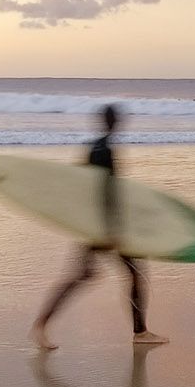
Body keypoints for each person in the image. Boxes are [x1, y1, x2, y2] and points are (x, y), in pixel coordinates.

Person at [32, 105, 164, 349]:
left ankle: (41, 325)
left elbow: (82, 184)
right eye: (116, 118)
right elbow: (107, 191)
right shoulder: (107, 150)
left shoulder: (93, 146)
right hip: (106, 226)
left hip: (94, 224)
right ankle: (140, 332)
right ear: (111, 121)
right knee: (133, 274)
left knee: (85, 276)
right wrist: (113, 229)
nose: (119, 122)